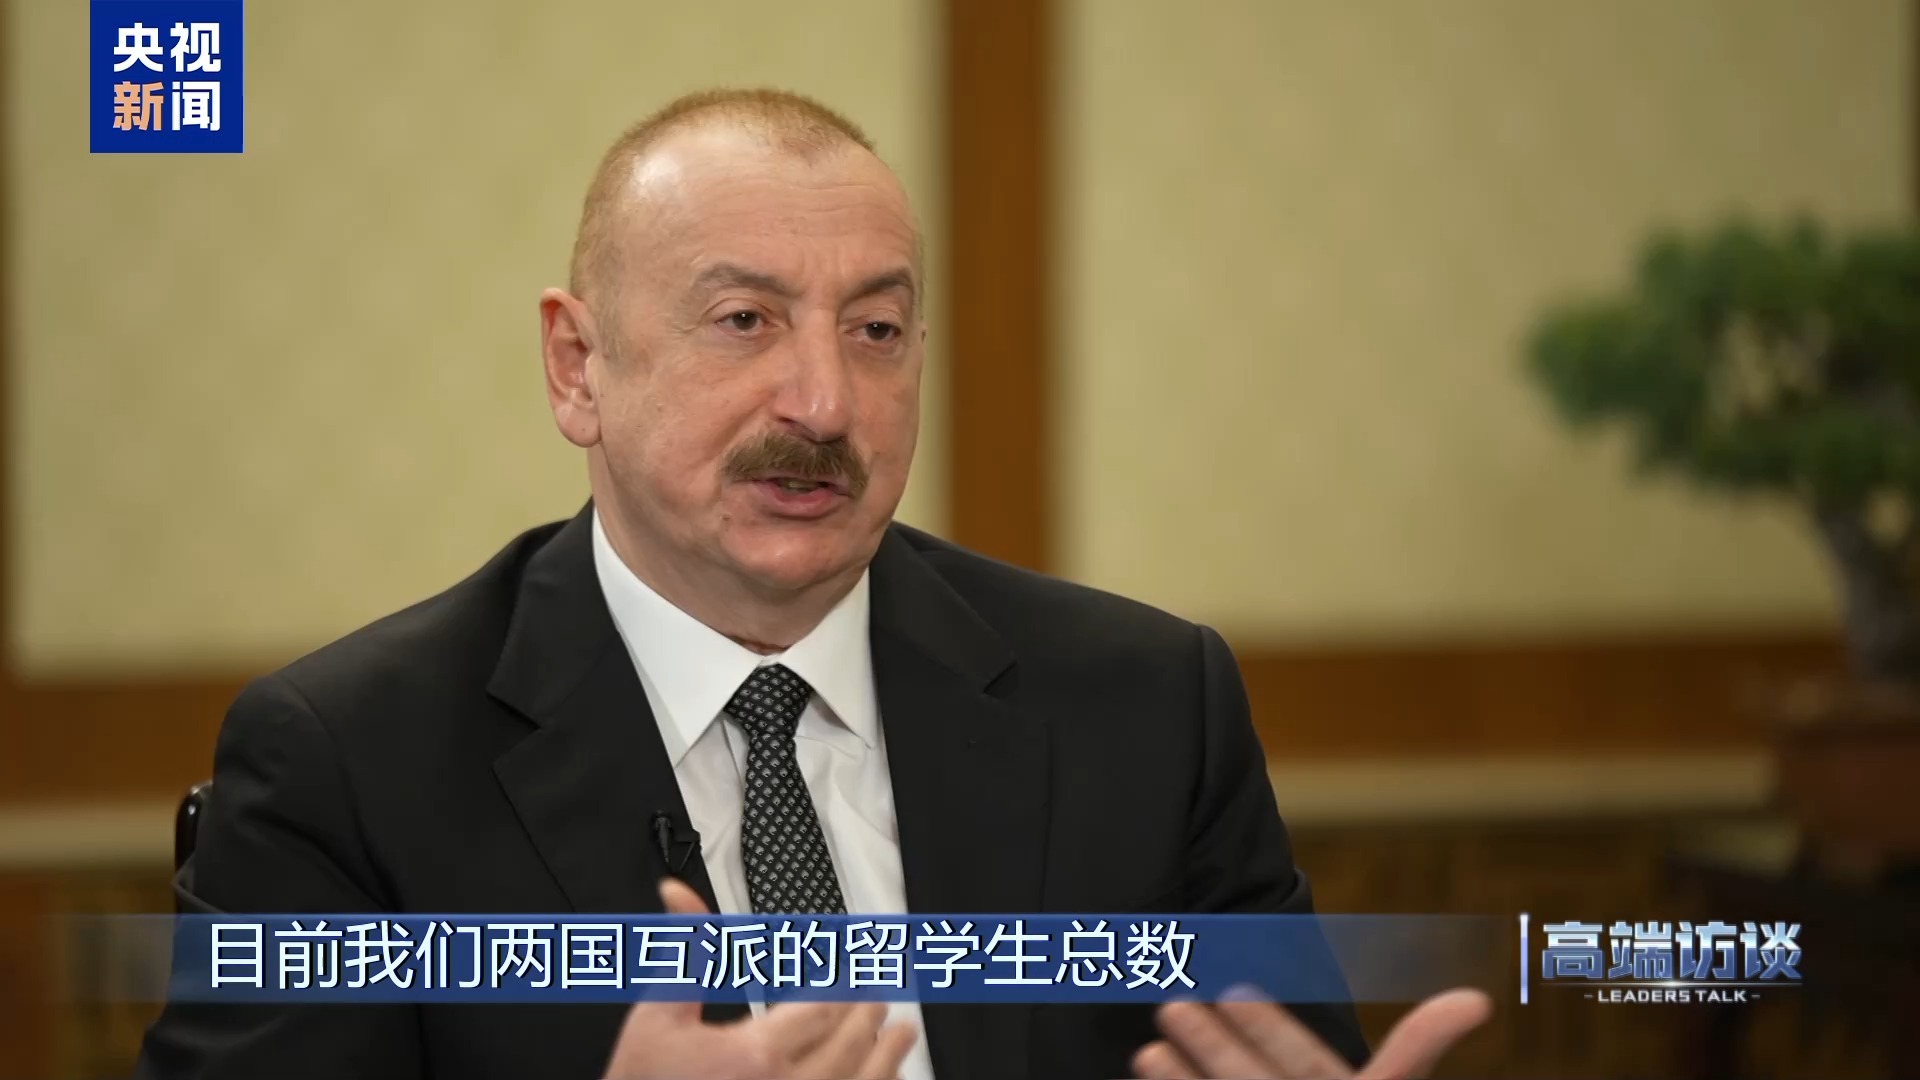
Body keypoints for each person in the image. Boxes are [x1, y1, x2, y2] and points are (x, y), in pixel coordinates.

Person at [135, 88, 1489, 1080]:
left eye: (878, 330)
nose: (826, 402)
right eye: (746, 322)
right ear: (577, 367)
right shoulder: (350, 766)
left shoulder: (1145, 709)